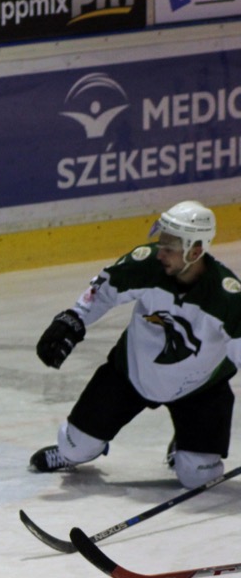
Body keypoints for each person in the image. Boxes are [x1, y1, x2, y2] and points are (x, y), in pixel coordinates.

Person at [30, 200, 241, 490]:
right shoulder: (147, 265)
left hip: (200, 390)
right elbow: (104, 290)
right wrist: (73, 319)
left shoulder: (227, 298)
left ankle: (185, 445)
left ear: (195, 251)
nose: (160, 252)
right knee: (73, 447)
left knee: (198, 477)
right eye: (161, 243)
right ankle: (74, 453)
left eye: (169, 248)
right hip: (130, 375)